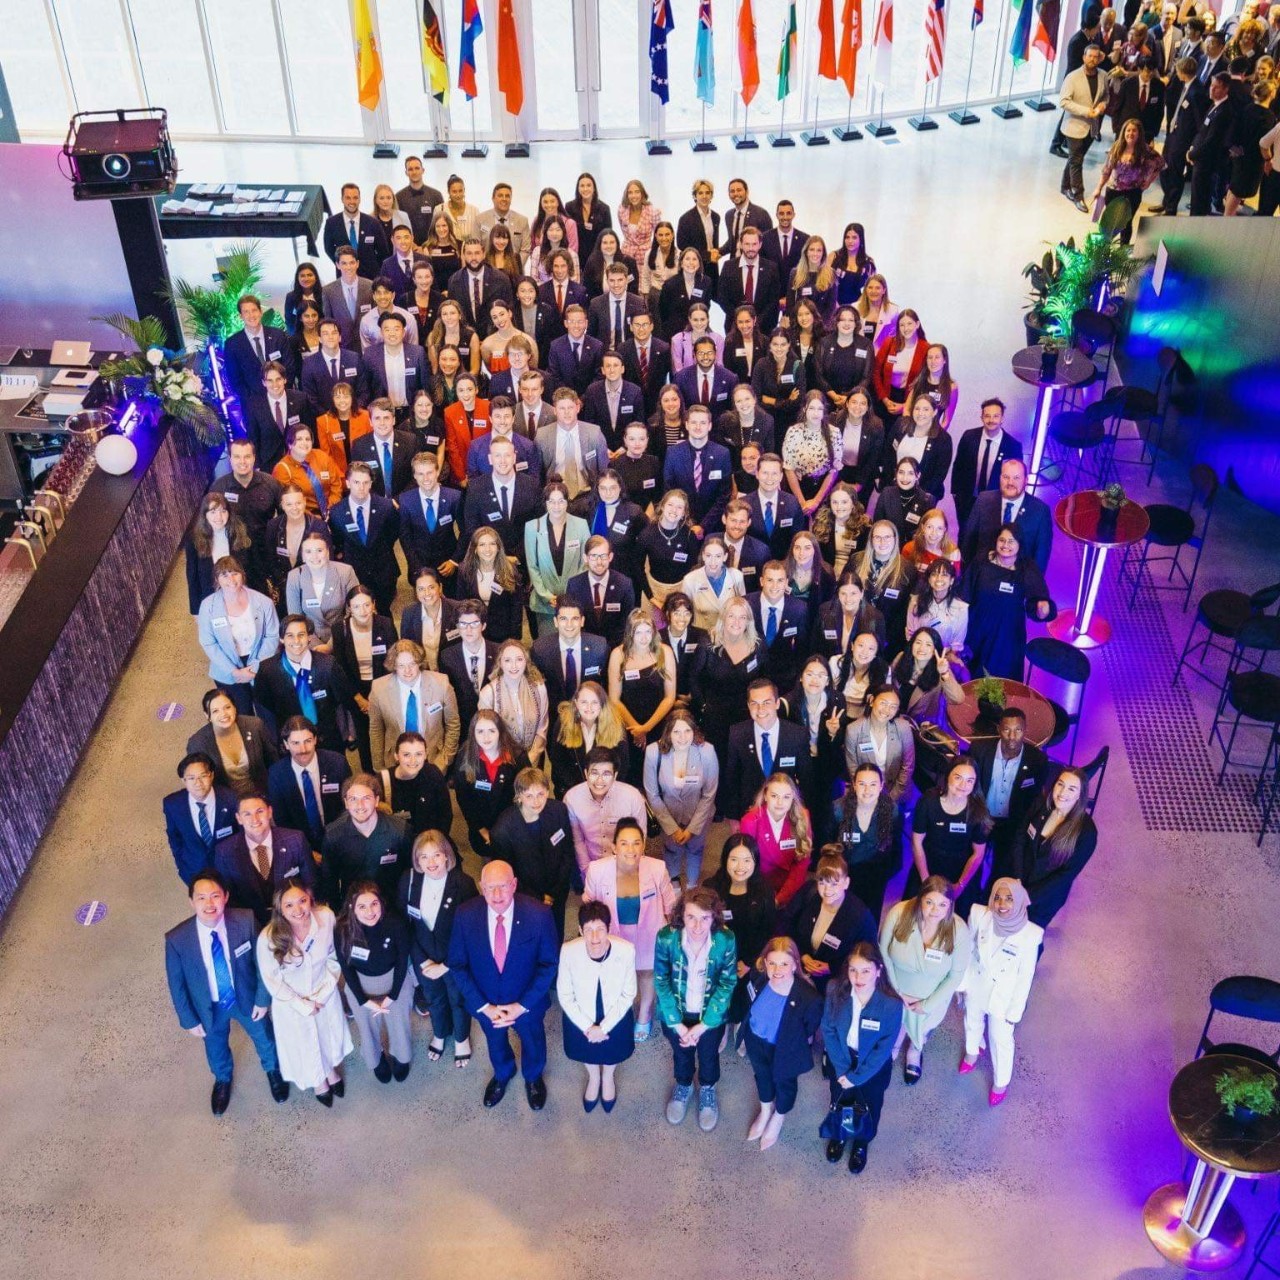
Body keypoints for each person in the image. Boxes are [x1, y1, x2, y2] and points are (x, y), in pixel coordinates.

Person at [164, 868, 289, 1115]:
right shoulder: (177, 939)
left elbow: (262, 963)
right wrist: (188, 1020)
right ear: (191, 901)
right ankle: (222, 1079)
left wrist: (262, 1000)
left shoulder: (244, 921)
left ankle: (273, 1070)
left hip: (246, 997)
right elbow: (176, 985)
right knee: (215, 1045)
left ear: (226, 897)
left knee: (264, 1036)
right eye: (201, 897)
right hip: (208, 1005)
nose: (209, 904)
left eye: (215, 896)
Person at [447, 859, 560, 1110]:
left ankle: (533, 1077)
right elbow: (457, 964)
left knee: (533, 1041)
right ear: (481, 887)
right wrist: (484, 1007)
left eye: (503, 886)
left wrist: (522, 1006)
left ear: (514, 884)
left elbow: (549, 964)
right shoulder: (465, 915)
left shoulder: (539, 915)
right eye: (490, 888)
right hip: (486, 1003)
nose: (497, 895)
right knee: (495, 1042)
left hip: (527, 1005)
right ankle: (503, 1073)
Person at [256, 882, 351, 1106]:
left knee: (327, 1036)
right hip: (291, 1002)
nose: (298, 910)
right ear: (279, 908)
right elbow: (273, 981)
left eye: (302, 901)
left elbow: (334, 957)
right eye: (289, 905)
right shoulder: (268, 938)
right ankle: (318, 1081)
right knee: (304, 1043)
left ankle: (330, 1072)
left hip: (324, 992)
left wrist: (323, 994)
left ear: (310, 899)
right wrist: (303, 1005)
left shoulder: (326, 918)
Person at [583, 817, 677, 1042]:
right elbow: (589, 908)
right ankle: (619, 1014)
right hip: (613, 935)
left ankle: (644, 1014)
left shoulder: (657, 868)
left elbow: (671, 905)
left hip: (649, 932)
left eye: (636, 843)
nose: (631, 849)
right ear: (614, 846)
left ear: (643, 845)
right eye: (624, 843)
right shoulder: (597, 870)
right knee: (617, 977)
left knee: (647, 974)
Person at [654, 886, 739, 1131]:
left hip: (709, 1017)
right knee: (681, 1053)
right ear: (682, 915)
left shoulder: (726, 939)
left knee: (709, 1054)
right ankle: (684, 1085)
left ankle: (707, 1089)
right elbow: (661, 980)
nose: (698, 926)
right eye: (691, 917)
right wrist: (678, 1025)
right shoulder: (666, 937)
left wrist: (704, 1025)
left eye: (705, 918)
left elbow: (727, 982)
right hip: (676, 1015)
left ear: (714, 918)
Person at [819, 942, 904, 1172]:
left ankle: (861, 1142)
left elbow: (883, 1049)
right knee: (840, 1101)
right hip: (841, 1060)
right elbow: (827, 1029)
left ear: (878, 970)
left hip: (872, 1069)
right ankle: (841, 1134)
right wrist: (842, 1068)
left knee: (869, 1106)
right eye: (853, 970)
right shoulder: (835, 990)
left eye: (866, 970)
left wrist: (856, 1078)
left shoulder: (892, 1005)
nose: (858, 977)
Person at [397, 829, 478, 1063]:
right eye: (423, 856)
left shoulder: (463, 884)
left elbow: (472, 932)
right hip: (423, 959)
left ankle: (462, 1037)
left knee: (458, 998)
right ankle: (440, 1033)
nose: (430, 862)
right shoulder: (409, 881)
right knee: (434, 998)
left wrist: (447, 965)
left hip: (454, 961)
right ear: (417, 860)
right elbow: (405, 925)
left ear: (446, 856)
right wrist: (421, 960)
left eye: (436, 855)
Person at [961, 879, 1043, 1106]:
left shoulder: (1030, 935)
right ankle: (972, 1052)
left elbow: (1025, 978)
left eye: (1009, 898)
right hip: (977, 984)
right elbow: (968, 950)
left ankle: (1001, 1082)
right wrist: (963, 984)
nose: (1002, 904)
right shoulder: (980, 915)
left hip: (1003, 997)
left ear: (1019, 902)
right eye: (997, 897)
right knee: (972, 1021)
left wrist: (1014, 1012)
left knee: (1000, 1039)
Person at [880, 876, 969, 1083]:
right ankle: (894, 1044)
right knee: (896, 1025)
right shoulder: (899, 913)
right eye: (929, 902)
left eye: (942, 904)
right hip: (896, 991)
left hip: (931, 998)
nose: (934, 910)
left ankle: (915, 1050)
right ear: (920, 899)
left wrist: (927, 1003)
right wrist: (896, 992)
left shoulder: (959, 930)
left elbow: (955, 975)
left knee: (923, 1029)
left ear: (950, 906)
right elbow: (883, 952)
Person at [736, 936, 822, 1151]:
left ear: (795, 965)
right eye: (772, 962)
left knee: (784, 1083)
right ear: (764, 962)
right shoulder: (758, 977)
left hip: (785, 1049)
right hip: (755, 1039)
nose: (777, 970)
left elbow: (810, 1027)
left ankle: (779, 1115)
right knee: (762, 1075)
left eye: (784, 963)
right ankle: (766, 1110)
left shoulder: (809, 997)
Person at [558, 900, 637, 1113]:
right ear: (580, 930)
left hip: (615, 1014)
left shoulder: (626, 950)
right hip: (581, 1015)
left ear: (608, 929)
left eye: (600, 929)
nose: (594, 937)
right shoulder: (568, 951)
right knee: (586, 1048)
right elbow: (565, 995)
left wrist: (603, 1028)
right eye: (588, 930)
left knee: (613, 1047)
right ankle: (594, 1078)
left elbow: (628, 993)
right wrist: (588, 1027)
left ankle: (608, 1076)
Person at [334, 880, 415, 1084]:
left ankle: (401, 1057)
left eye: (374, 904)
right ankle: (376, 1060)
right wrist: (363, 1001)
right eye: (362, 906)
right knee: (367, 1026)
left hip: (395, 979)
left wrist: (393, 996)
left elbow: (402, 961)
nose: (369, 912)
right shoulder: (343, 929)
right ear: (352, 908)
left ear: (381, 903)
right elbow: (347, 968)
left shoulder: (395, 924)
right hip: (360, 983)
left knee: (399, 1023)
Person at [489, 767, 576, 943]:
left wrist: (555, 891)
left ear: (547, 791)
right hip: (525, 896)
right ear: (518, 796)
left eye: (540, 794)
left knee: (556, 933)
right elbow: (507, 874)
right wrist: (538, 898)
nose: (536, 801)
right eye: (529, 796)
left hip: (557, 890)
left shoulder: (559, 810)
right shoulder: (502, 830)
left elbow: (567, 851)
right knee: (531, 938)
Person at [962, 524, 1056, 679]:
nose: (1005, 545)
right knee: (970, 678)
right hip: (977, 631)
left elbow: (1038, 600)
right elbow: (964, 594)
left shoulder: (1026, 567)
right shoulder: (981, 561)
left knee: (1003, 683)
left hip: (1007, 637)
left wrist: (1042, 608)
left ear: (1020, 544)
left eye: (1011, 541)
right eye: (1002, 540)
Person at [1012, 767, 1099, 928]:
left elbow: (1066, 875)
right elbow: (1020, 837)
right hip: (1018, 882)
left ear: (1080, 795)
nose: (1062, 793)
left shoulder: (1086, 832)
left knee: (1029, 938)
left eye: (1072, 789)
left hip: (1045, 899)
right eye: (1060, 784)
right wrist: (1017, 878)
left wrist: (1028, 896)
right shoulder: (1041, 804)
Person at [970, 708, 1050, 882]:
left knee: (1002, 873)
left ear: (1025, 730)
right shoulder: (979, 751)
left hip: (1012, 825)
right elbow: (972, 788)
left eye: (1018, 730)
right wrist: (981, 816)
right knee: (972, 865)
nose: (1012, 736)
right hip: (982, 818)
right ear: (999, 729)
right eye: (1007, 730)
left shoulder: (1037, 760)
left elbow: (1035, 800)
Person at [644, 708, 720, 888]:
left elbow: (709, 794)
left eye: (687, 731)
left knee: (696, 850)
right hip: (667, 815)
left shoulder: (707, 752)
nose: (682, 737)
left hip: (699, 816)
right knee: (671, 850)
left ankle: (692, 885)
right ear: (668, 732)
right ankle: (674, 884)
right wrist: (673, 829)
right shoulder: (653, 752)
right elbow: (652, 794)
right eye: (676, 731)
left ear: (694, 731)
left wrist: (692, 829)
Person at [196, 557, 280, 715]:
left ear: (242, 575)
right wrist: (234, 671)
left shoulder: (264, 602)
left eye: (235, 573)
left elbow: (272, 636)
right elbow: (208, 643)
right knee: (240, 715)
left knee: (268, 712)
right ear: (216, 579)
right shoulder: (207, 606)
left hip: (261, 663)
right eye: (224, 575)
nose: (231, 579)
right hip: (226, 670)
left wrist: (255, 667)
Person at [909, 758, 993, 915]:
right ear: (948, 776)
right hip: (928, 866)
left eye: (970, 781)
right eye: (958, 777)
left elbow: (978, 854)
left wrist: (960, 885)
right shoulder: (928, 802)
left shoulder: (979, 811)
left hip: (961, 872)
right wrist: (926, 880)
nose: (963, 785)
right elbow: (916, 842)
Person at [785, 852, 878, 993]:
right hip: (799, 971)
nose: (827, 890)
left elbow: (868, 955)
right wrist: (802, 955)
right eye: (822, 883)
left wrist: (832, 967)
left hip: (836, 983)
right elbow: (787, 923)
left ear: (846, 883)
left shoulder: (860, 916)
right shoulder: (808, 894)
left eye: (834, 884)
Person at [330, 585, 398, 771]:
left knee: (386, 731)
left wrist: (378, 696)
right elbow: (340, 668)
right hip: (355, 691)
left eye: (367, 605)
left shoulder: (385, 624)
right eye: (357, 606)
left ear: (374, 604)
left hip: (383, 687)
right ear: (349, 608)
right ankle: (369, 773)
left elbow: (393, 660)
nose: (363, 611)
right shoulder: (340, 629)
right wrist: (359, 699)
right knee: (364, 734)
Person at [690, 596, 764, 767]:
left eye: (742, 617)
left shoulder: (757, 644)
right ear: (723, 617)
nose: (736, 622)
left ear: (748, 621)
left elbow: (764, 678)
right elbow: (694, 678)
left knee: (742, 763)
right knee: (718, 764)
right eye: (732, 616)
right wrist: (703, 706)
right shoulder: (708, 643)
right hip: (715, 717)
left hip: (746, 715)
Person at [318, 773, 413, 906]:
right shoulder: (333, 835)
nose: (360, 805)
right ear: (346, 803)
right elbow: (330, 881)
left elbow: (410, 873)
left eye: (366, 798)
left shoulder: (400, 830)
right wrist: (339, 915)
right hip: (354, 906)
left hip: (391, 904)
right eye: (353, 799)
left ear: (377, 800)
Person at [367, 638, 460, 773]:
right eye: (401, 666)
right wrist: (379, 767)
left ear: (420, 663)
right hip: (395, 761)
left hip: (433, 759)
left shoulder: (441, 684)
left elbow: (453, 723)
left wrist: (446, 759)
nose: (407, 671)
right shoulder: (378, 688)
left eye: (412, 664)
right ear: (394, 666)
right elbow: (376, 730)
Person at [262, 713, 350, 851]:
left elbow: (348, 805)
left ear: (315, 740)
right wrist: (306, 850)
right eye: (295, 743)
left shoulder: (337, 763)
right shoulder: (276, 774)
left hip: (340, 838)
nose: (303, 750)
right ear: (286, 744)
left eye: (308, 741)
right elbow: (282, 821)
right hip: (301, 845)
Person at [452, 709, 529, 860]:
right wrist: (481, 830)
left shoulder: (517, 756)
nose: (486, 737)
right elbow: (464, 799)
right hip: (480, 824)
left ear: (500, 731)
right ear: (473, 733)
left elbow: (526, 791)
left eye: (491, 731)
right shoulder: (465, 756)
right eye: (480, 731)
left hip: (512, 823)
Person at [328, 461, 400, 617]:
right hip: (354, 573)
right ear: (347, 483)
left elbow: (393, 533)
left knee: (383, 613)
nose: (361, 487)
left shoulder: (386, 507)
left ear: (371, 483)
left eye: (365, 482)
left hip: (383, 570)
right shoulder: (336, 512)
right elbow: (338, 540)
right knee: (358, 615)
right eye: (356, 482)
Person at [565, 749, 648, 882]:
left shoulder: (633, 797)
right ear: (586, 773)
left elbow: (640, 837)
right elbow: (578, 841)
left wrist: (629, 871)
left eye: (606, 774)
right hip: (591, 862)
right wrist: (587, 871)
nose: (599, 780)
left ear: (615, 776)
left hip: (625, 863)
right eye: (594, 773)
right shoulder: (572, 798)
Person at [961, 457, 1054, 574]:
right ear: (1000, 478)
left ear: (1026, 480)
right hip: (982, 578)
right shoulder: (983, 500)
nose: (1010, 483)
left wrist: (1031, 587)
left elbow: (1041, 558)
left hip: (1018, 583)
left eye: (1016, 478)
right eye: (1006, 477)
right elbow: (968, 543)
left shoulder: (1040, 511)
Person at [608, 608, 677, 764]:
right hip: (628, 725)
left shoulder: (665, 652)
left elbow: (670, 697)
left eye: (648, 631)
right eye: (638, 632)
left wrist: (646, 728)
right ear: (630, 633)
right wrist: (636, 729)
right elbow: (614, 699)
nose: (644, 638)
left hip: (659, 722)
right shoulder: (618, 655)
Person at [185, 688, 278, 798]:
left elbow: (273, 760)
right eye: (215, 711)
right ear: (207, 716)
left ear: (234, 708)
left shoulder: (254, 726)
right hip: (228, 802)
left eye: (227, 707)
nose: (223, 714)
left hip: (263, 793)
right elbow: (201, 781)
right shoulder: (198, 744)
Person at [164, 753, 238, 887]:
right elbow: (175, 839)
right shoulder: (172, 804)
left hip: (232, 873)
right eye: (191, 778)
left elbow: (241, 836)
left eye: (203, 776)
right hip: (194, 874)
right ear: (183, 780)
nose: (198, 783)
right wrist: (183, 869)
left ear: (211, 775)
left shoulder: (231, 798)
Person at [838, 762, 900, 921]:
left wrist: (883, 876)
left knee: (870, 920)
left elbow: (897, 850)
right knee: (844, 920)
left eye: (873, 784)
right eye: (862, 784)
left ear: (881, 786)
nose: (867, 790)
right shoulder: (838, 810)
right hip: (845, 877)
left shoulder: (892, 812)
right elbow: (828, 846)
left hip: (876, 879)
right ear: (853, 784)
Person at [739, 773, 813, 904]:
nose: (780, 803)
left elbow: (801, 865)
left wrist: (779, 899)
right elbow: (747, 865)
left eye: (786, 797)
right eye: (774, 796)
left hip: (792, 887)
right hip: (760, 888)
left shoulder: (802, 817)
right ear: (765, 796)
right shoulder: (750, 821)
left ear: (793, 799)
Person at [951, 399, 1023, 532]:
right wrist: (956, 494)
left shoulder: (1013, 446)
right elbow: (958, 465)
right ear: (982, 417)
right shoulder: (969, 436)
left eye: (996, 416)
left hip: (994, 503)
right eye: (987, 416)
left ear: (1002, 418)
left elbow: (1016, 478)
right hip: (967, 500)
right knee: (965, 534)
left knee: (987, 537)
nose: (991, 420)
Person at [1090, 118, 1167, 241]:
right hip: (1113, 191)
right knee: (1109, 223)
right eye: (1128, 130)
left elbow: (1161, 164)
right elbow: (1107, 170)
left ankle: (1123, 252)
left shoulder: (1145, 151)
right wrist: (1098, 188)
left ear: (1139, 133)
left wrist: (1148, 182)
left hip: (1133, 194)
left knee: (1126, 224)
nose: (1130, 133)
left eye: (1134, 131)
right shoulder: (1116, 147)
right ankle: (1105, 253)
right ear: (1123, 132)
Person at [478, 640, 550, 768]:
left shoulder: (539, 687)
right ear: (500, 663)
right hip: (503, 762)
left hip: (535, 758)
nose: (514, 666)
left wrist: (531, 758)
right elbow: (486, 734)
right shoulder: (488, 694)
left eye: (519, 659)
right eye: (507, 660)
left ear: (526, 661)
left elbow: (542, 728)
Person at [284, 534, 358, 651]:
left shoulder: (345, 572)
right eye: (308, 551)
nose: (314, 556)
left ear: (327, 552)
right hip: (309, 641)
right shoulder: (294, 576)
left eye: (319, 550)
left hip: (343, 637)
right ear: (303, 556)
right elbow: (295, 619)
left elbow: (354, 612)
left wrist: (331, 645)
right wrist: (316, 646)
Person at [1059, 45, 1111, 211]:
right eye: (1090, 56)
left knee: (1075, 158)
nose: (1093, 60)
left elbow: (1106, 96)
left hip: (1092, 127)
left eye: (1096, 57)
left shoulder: (1103, 75)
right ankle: (1078, 194)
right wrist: (1085, 111)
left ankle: (1064, 186)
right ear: (1084, 57)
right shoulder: (1072, 77)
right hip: (1074, 126)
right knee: (1077, 160)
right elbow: (1064, 101)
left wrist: (1102, 106)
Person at [454, 526, 524, 645]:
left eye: (492, 544)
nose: (488, 549)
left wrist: (514, 639)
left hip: (503, 634)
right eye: (482, 545)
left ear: (498, 547)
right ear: (475, 549)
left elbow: (516, 608)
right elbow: (461, 604)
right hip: (475, 633)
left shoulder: (510, 570)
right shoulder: (464, 570)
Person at [856, 521, 917, 658]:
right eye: (877, 537)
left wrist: (886, 638)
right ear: (871, 539)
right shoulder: (857, 561)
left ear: (895, 539)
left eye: (887, 537)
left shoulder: (908, 570)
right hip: (856, 631)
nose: (882, 542)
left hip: (888, 637)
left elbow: (904, 612)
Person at [185, 493, 252, 616]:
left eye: (223, 511)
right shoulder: (194, 540)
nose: (219, 517)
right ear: (205, 515)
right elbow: (192, 578)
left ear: (229, 513)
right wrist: (196, 612)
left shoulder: (240, 533)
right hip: (211, 600)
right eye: (213, 512)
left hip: (241, 598)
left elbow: (254, 569)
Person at [379, 731, 453, 839]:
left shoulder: (433, 774)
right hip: (399, 843)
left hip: (429, 842)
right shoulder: (382, 781)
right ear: (396, 756)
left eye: (418, 754)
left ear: (425, 755)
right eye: (406, 755)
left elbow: (445, 815)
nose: (413, 761)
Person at [566, 536, 637, 650]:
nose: (599, 562)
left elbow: (627, 623)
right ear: (585, 558)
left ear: (610, 557)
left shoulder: (624, 584)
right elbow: (573, 621)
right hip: (584, 648)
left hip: (616, 648)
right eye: (594, 556)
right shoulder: (574, 585)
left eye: (603, 556)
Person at [889, 625, 965, 723]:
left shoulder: (941, 668)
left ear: (935, 650)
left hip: (919, 727)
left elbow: (958, 699)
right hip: (893, 717)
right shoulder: (901, 658)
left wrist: (944, 673)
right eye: (918, 642)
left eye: (928, 645)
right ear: (912, 644)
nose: (922, 648)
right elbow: (887, 683)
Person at [565, 172, 612, 262]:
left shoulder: (604, 209)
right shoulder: (569, 207)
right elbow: (567, 235)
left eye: (588, 185)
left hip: (597, 257)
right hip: (575, 256)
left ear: (594, 188)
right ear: (578, 188)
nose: (585, 189)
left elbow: (607, 235)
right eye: (582, 186)